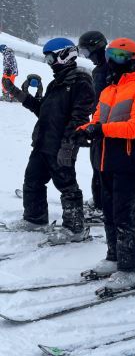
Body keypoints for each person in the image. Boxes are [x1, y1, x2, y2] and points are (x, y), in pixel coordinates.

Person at [75, 37, 135, 290]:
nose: (113, 61)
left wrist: (102, 130)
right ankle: (115, 257)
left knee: (124, 214)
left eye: (120, 57)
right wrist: (84, 130)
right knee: (108, 211)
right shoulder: (109, 90)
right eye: (111, 56)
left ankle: (133, 268)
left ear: (134, 60)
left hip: (128, 161)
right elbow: (97, 120)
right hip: (104, 160)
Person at [3, 38, 94, 244]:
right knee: (33, 180)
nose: (48, 63)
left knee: (66, 185)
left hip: (61, 145)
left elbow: (80, 118)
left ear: (65, 55)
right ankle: (35, 219)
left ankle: (75, 229)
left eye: (50, 58)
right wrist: (18, 93)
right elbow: (42, 110)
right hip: (43, 142)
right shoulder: (57, 82)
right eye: (46, 59)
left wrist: (68, 145)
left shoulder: (80, 82)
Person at [78, 30, 109, 219]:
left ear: (96, 47)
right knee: (96, 164)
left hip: (105, 125)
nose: (86, 57)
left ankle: (101, 205)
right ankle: (99, 200)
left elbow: (102, 99)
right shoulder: (101, 68)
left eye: (86, 52)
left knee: (100, 166)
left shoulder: (107, 69)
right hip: (98, 121)